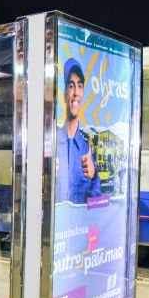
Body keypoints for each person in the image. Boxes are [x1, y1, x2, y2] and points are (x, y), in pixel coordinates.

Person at [55, 58, 101, 203]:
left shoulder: (85, 148)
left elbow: (95, 203)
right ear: (64, 94)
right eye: (71, 86)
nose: (75, 92)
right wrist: (45, 174)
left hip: (77, 226)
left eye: (79, 86)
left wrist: (93, 177)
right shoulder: (52, 142)